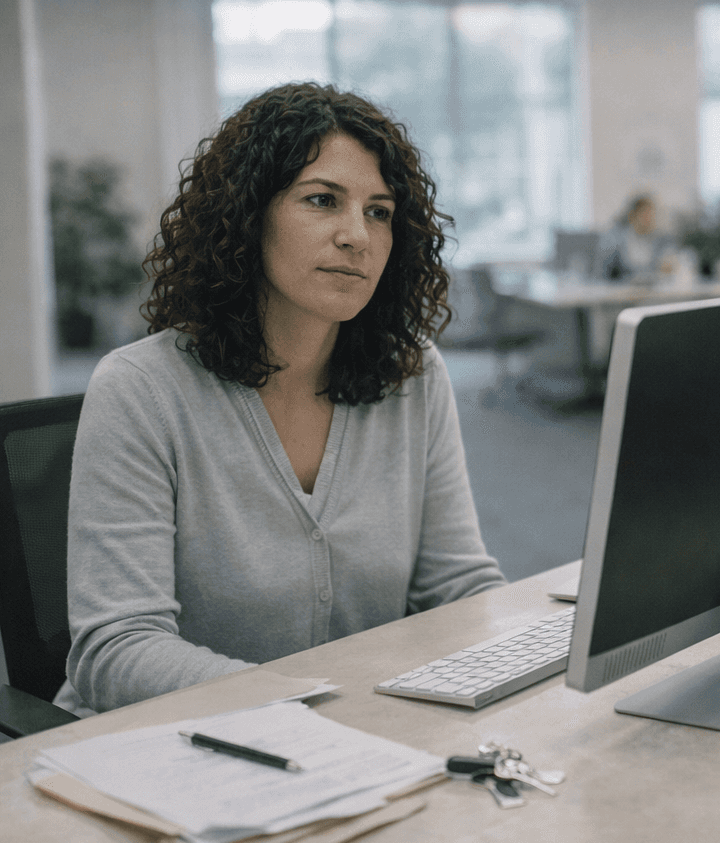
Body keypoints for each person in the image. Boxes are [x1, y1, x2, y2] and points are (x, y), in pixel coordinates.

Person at [56, 83, 508, 716]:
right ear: (246, 216)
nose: (358, 235)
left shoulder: (413, 376)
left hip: (358, 739)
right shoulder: (142, 389)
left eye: (379, 212)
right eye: (322, 201)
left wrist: (523, 642)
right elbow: (118, 650)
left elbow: (458, 585)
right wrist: (310, 708)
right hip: (174, 749)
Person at [598, 194, 670, 281]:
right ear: (633, 215)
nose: (649, 219)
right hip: (620, 291)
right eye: (644, 215)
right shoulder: (615, 241)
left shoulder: (659, 241)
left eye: (651, 215)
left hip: (649, 292)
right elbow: (603, 275)